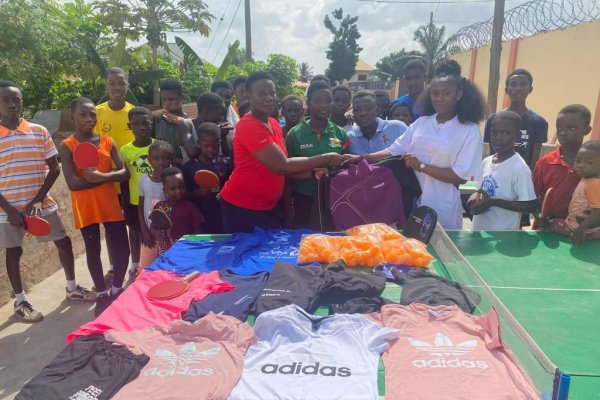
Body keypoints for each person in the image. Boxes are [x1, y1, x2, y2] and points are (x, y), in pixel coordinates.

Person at [344, 60, 485, 230]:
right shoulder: (422, 123)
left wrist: (421, 166)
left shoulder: (469, 130)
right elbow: (393, 150)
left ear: (459, 94)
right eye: (435, 93)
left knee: (442, 254)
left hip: (445, 209)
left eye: (446, 93)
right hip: (416, 204)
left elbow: (460, 176)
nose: (439, 98)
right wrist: (361, 158)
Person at [0, 82, 95, 323]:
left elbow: (53, 169)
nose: (12, 104)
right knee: (14, 252)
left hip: (41, 204)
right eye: (6, 100)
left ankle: (72, 287)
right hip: (7, 210)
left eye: (17, 99)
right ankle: (20, 302)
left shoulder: (39, 131)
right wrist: (9, 209)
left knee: (63, 243)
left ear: (22, 101)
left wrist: (38, 199)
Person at [219, 71, 349, 233]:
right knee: (246, 255)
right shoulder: (248, 125)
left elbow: (285, 169)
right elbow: (282, 166)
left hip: (268, 206)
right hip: (243, 206)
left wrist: (312, 173)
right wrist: (327, 158)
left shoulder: (273, 123)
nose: (269, 98)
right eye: (262, 94)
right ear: (248, 95)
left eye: (272, 93)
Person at [58, 98, 130, 305]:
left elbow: (124, 173)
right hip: (85, 206)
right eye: (83, 114)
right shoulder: (67, 146)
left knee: (121, 246)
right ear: (73, 116)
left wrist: (103, 177)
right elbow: (73, 183)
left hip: (109, 203)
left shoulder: (108, 141)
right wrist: (104, 178)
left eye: (92, 114)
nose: (89, 118)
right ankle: (100, 292)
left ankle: (117, 287)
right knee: (92, 249)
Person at [285, 81, 349, 229]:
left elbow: (345, 168)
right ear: (308, 103)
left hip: (333, 201)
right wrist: (288, 209)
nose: (324, 105)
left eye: (328, 101)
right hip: (304, 200)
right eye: (318, 101)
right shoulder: (294, 135)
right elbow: (286, 173)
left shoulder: (341, 133)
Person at [95, 67, 135, 284]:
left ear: (127, 85)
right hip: (107, 183)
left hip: (131, 182)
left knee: (133, 227)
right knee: (111, 230)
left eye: (121, 83)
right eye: (112, 83)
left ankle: (135, 267)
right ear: (106, 85)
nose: (117, 88)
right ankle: (112, 268)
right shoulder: (97, 113)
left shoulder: (134, 112)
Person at [469, 111, 538, 230]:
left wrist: (494, 202)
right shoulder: (486, 162)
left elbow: (530, 205)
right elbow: (481, 192)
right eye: (494, 132)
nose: (498, 138)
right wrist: (475, 202)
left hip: (504, 237)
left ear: (517, 136)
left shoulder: (520, 168)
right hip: (480, 232)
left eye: (506, 133)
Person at [533, 104, 592, 224]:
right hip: (548, 229)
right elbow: (532, 198)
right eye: (559, 128)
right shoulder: (545, 163)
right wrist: (538, 214)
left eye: (571, 128)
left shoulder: (594, 164)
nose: (563, 133)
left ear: (586, 130)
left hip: (582, 229)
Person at [484, 69, 548, 170]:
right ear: (506, 90)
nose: (518, 88)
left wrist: (526, 178)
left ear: (530, 89)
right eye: (513, 85)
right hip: (496, 175)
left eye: (522, 84)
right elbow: (489, 152)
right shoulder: (493, 120)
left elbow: (535, 160)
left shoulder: (538, 122)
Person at [542, 140, 600, 244]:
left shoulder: (593, 184)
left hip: (577, 229)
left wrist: (581, 229)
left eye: (589, 162)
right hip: (580, 226)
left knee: (548, 224)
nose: (581, 165)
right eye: (578, 161)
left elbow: (598, 210)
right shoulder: (586, 179)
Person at [120, 106, 154, 278]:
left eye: (145, 123)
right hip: (134, 200)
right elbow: (124, 178)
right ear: (129, 126)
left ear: (151, 124)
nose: (141, 127)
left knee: (154, 230)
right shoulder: (125, 151)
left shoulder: (157, 146)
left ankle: (154, 262)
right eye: (136, 124)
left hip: (155, 199)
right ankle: (135, 265)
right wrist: (124, 203)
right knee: (134, 231)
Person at [182, 122, 232, 234]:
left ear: (220, 142)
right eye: (206, 146)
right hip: (201, 220)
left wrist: (225, 194)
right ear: (199, 143)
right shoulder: (189, 168)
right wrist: (196, 194)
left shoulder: (226, 164)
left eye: (215, 146)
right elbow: (182, 195)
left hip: (223, 218)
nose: (211, 149)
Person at [137, 141, 173, 270]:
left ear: (171, 159)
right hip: (150, 237)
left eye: (165, 158)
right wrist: (144, 232)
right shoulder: (143, 180)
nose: (161, 162)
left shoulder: (173, 181)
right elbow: (140, 208)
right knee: (146, 270)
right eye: (156, 158)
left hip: (169, 237)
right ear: (149, 160)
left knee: (168, 269)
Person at [153, 166, 205, 253]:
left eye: (181, 187)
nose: (178, 191)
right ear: (165, 190)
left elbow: (199, 230)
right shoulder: (160, 207)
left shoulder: (190, 206)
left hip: (186, 250)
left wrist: (187, 240)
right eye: (173, 188)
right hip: (166, 252)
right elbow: (153, 227)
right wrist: (157, 233)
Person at [346, 90, 407, 155]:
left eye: (368, 108)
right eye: (358, 109)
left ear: (376, 110)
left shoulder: (397, 128)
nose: (363, 113)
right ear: (353, 113)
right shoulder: (350, 138)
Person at [151, 77, 195, 166]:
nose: (167, 103)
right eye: (163, 99)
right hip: (161, 173)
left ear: (182, 97)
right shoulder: (157, 120)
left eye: (171, 99)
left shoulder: (188, 123)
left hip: (182, 173)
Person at [179, 92, 232, 158]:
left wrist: (223, 137)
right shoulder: (186, 124)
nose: (222, 119)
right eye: (219, 114)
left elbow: (227, 156)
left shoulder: (216, 128)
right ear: (206, 112)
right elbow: (192, 152)